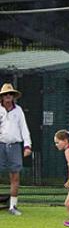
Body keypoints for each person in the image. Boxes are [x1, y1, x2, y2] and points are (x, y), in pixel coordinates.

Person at [0, 84, 32, 216]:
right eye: (6, 94)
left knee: (15, 175)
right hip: (0, 144)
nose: (8, 97)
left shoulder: (18, 110)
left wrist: (27, 145)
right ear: (2, 96)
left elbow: (24, 128)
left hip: (14, 146)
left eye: (11, 94)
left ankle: (13, 206)